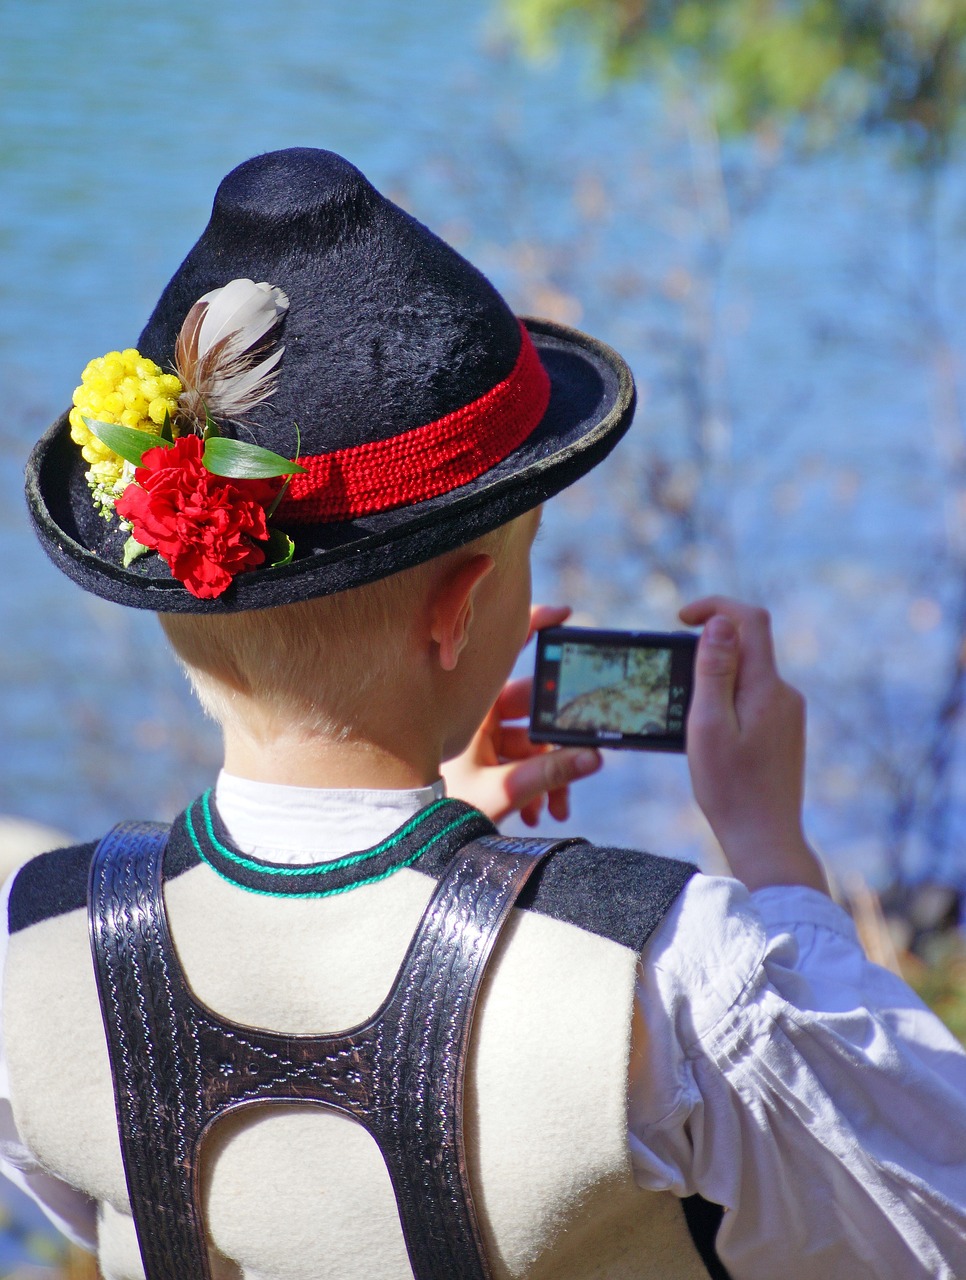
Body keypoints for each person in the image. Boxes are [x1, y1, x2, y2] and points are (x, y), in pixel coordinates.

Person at [5, 146, 966, 1280]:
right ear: (462, 610)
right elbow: (929, 1213)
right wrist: (777, 857)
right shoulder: (672, 977)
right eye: (525, 558)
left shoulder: (42, 947)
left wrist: (449, 866)